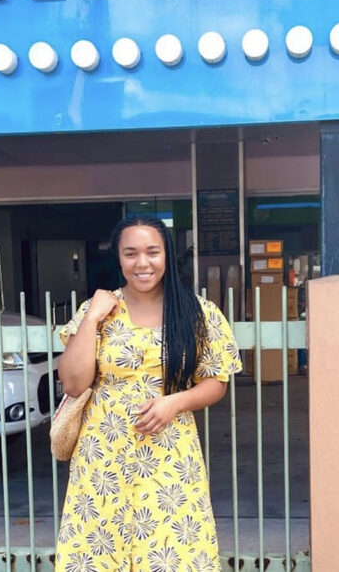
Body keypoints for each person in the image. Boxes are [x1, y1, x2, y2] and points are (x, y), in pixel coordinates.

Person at [55, 216, 242, 571]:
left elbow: (216, 381)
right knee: (100, 549)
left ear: (167, 255)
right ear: (120, 260)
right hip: (103, 456)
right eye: (131, 253)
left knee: (173, 552)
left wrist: (176, 401)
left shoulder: (198, 313)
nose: (142, 263)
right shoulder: (98, 312)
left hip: (170, 453)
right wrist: (93, 318)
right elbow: (74, 384)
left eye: (152, 252)